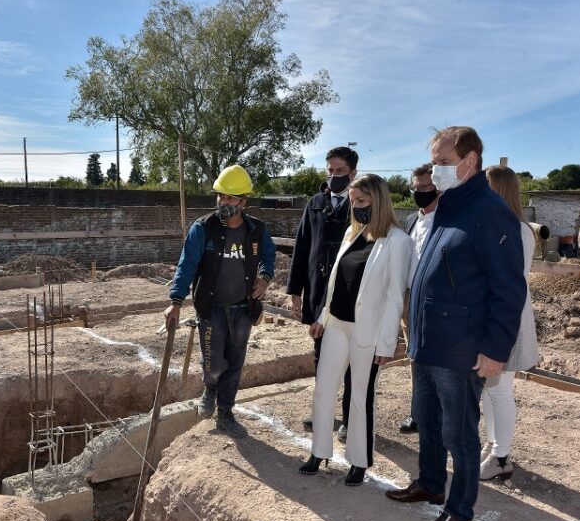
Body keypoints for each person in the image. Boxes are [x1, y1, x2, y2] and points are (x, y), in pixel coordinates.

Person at [385, 127, 525, 521]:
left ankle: (460, 511)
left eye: (443, 163)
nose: (436, 171)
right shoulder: (448, 208)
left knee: (459, 433)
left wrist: (495, 349)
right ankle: (429, 482)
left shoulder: (489, 212)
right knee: (426, 419)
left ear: (469, 162)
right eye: (433, 163)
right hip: (429, 341)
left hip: (461, 347)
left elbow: (509, 289)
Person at [299, 174, 413, 486]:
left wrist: (386, 344)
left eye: (362, 202)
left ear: (378, 202)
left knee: (360, 396)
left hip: (368, 333)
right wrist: (322, 317)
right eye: (353, 202)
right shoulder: (352, 234)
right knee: (324, 388)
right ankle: (319, 450)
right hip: (336, 324)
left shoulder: (398, 242)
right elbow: (336, 283)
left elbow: (394, 297)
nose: (356, 207)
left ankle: (359, 460)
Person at [165, 164, 276, 439]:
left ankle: (226, 412)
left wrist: (264, 278)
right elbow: (186, 265)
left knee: (235, 361)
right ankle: (210, 389)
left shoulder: (257, 231)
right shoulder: (203, 228)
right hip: (211, 307)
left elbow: (269, 257)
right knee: (214, 361)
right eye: (220, 197)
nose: (223, 202)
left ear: (243, 201)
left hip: (243, 308)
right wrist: (176, 301)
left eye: (229, 198)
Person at [287, 146, 359, 440]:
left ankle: (349, 417)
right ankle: (323, 411)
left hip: (348, 295)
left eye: (340, 171)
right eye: (330, 170)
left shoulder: (361, 204)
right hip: (318, 293)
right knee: (321, 355)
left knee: (351, 361)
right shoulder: (315, 203)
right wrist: (295, 291)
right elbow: (302, 246)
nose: (334, 176)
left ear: (353, 172)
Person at [480, 166, 539, 481]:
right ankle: (493, 444)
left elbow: (508, 285)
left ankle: (501, 458)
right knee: (491, 390)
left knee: (500, 390)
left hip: (507, 322)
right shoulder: (506, 227)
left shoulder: (515, 230)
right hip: (497, 320)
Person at [398, 163, 439, 435]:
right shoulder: (411, 221)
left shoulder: (448, 219)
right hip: (409, 299)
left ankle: (439, 415)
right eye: (416, 187)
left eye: (426, 187)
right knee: (414, 356)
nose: (420, 191)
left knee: (437, 360)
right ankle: (418, 413)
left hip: (436, 300)